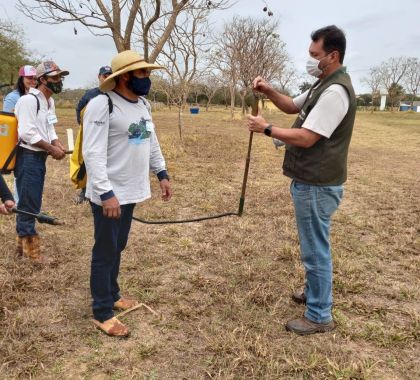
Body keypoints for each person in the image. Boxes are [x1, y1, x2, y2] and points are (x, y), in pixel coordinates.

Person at [247, 25, 356, 335]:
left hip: (317, 184)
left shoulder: (335, 92)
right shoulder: (322, 84)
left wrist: (267, 129)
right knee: (313, 243)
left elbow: (307, 138)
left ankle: (320, 314)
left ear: (333, 55)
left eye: (315, 55)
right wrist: (268, 90)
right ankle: (313, 292)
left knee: (314, 249)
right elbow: (291, 106)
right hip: (311, 181)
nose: (310, 60)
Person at [83, 50, 172, 337]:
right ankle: (102, 311)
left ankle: (113, 293)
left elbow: (151, 140)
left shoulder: (143, 104)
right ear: (124, 77)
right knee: (105, 250)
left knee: (118, 245)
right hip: (110, 193)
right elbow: (92, 152)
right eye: (142, 73)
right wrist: (105, 192)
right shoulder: (102, 104)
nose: (148, 78)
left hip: (132, 190)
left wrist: (161, 172)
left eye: (148, 73)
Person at [14, 61, 69, 264]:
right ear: (42, 80)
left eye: (60, 77)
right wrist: (50, 148)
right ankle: (32, 254)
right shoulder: (29, 101)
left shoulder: (49, 102)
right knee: (29, 203)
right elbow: (26, 133)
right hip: (28, 156)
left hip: (39, 157)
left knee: (31, 201)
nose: (59, 81)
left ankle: (21, 249)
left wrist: (57, 143)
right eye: (55, 78)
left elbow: (50, 128)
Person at [74, 65, 112, 204]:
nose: (107, 77)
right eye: (105, 75)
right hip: (92, 134)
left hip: (110, 136)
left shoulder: (114, 93)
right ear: (99, 77)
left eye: (110, 75)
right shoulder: (90, 94)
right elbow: (79, 110)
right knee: (87, 162)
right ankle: (85, 192)